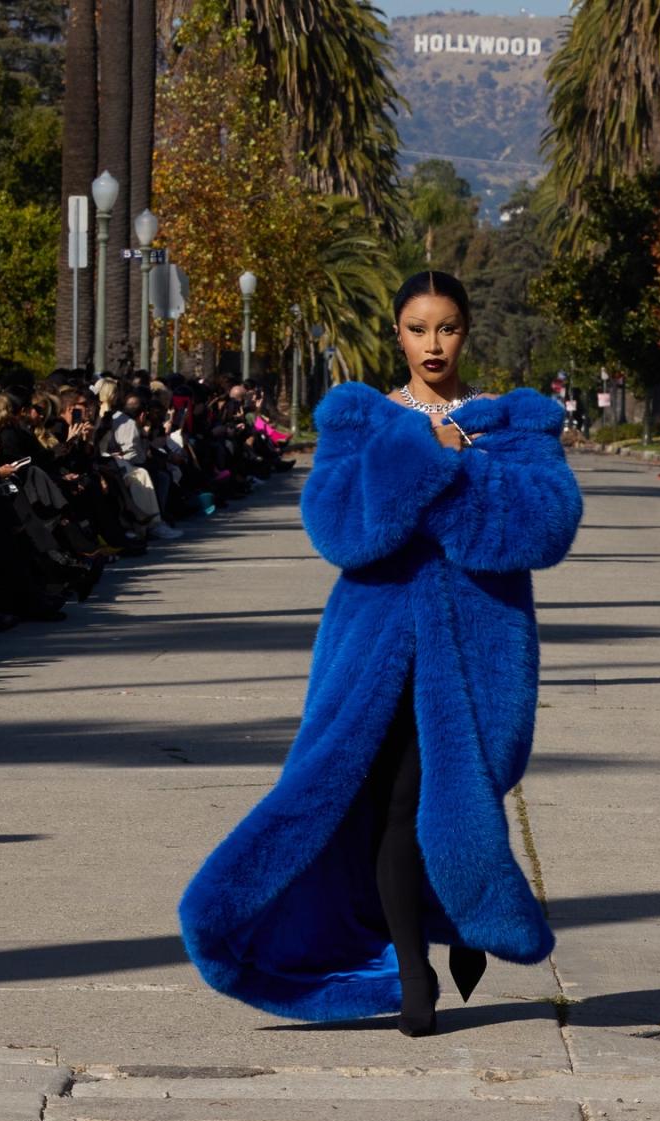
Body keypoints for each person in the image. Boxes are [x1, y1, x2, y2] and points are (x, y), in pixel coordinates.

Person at [180, 270, 583, 1037]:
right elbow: (341, 530)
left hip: (480, 651)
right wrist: (421, 457)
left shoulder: (517, 425)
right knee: (385, 807)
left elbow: (539, 530)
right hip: (371, 648)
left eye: (448, 327)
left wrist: (458, 463)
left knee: (460, 800)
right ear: (396, 333)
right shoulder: (358, 420)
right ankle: (412, 974)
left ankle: (456, 924)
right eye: (417, 328)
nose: (433, 344)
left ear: (469, 331)